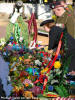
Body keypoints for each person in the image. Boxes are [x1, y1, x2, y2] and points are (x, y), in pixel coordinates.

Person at [40, 1, 75, 73]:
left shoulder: (68, 17)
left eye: (54, 11)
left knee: (70, 68)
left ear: (59, 9)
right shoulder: (58, 18)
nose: (54, 13)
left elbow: (71, 33)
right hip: (63, 46)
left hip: (69, 46)